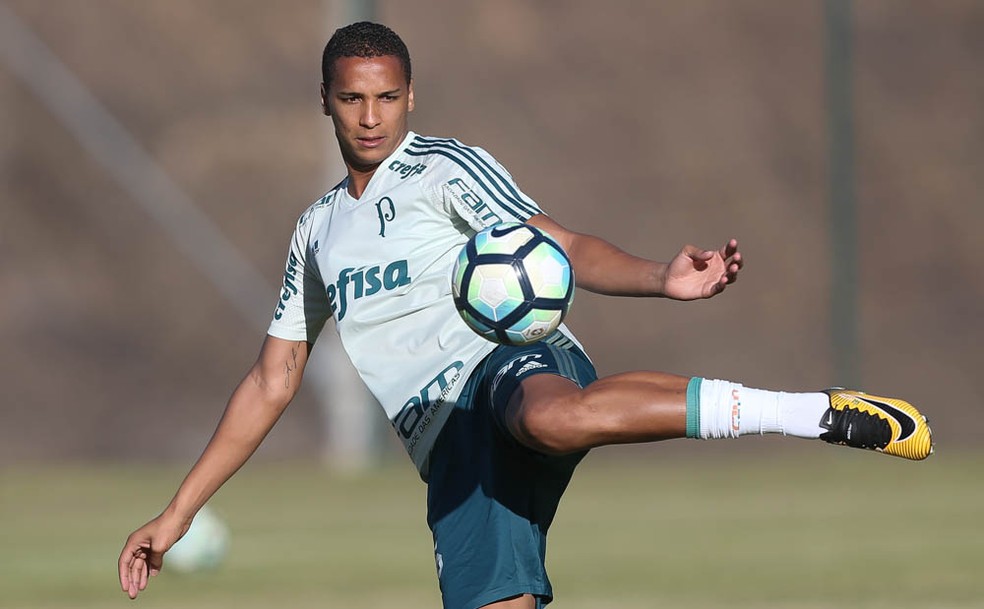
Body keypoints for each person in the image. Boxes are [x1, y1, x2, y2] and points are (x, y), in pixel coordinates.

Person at [118, 21, 933, 609]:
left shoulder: (442, 171)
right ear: (325, 103)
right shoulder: (316, 231)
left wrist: (662, 277)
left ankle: (808, 413)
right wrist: (178, 511)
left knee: (549, 419)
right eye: (353, 99)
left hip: (508, 366)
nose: (372, 117)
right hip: (446, 446)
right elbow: (271, 379)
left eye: (388, 97)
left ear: (410, 97)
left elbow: (559, 243)